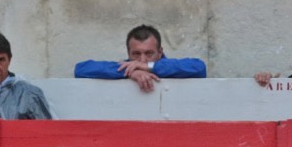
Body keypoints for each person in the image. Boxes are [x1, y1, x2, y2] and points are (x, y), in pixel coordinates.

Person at [74, 24, 207, 93]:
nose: (142, 60)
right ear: (128, 52)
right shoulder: (128, 66)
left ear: (160, 53)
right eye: (136, 54)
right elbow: (81, 69)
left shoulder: (168, 65)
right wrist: (129, 71)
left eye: (149, 53)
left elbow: (199, 68)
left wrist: (151, 67)